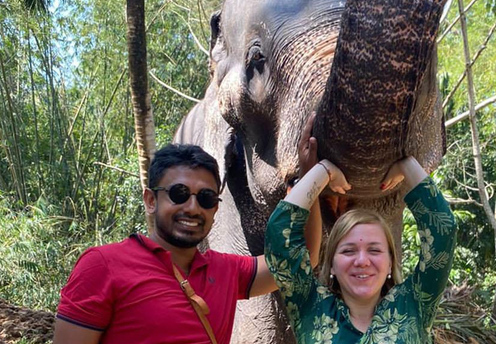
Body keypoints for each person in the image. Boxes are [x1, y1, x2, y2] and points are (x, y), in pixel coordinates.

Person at [53, 141, 322, 344]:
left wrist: (311, 177)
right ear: (150, 200)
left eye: (206, 198)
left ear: (215, 209)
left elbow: (303, 258)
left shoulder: (227, 271)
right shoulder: (102, 266)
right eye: (179, 193)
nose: (193, 207)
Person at [265, 131, 457, 343]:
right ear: (332, 264)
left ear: (391, 261)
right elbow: (279, 232)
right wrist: (323, 171)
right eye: (348, 251)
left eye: (374, 250)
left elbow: (443, 232)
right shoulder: (310, 305)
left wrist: (406, 163)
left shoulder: (414, 304)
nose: (362, 261)